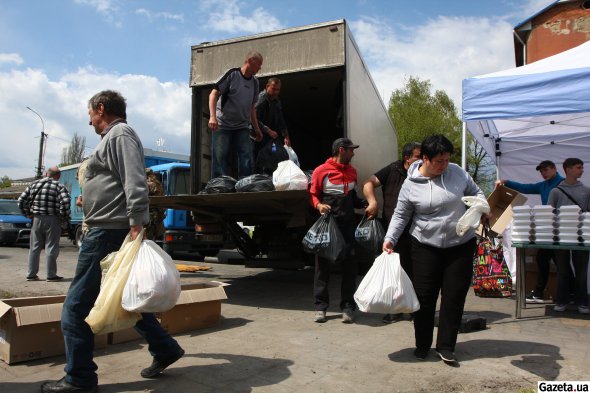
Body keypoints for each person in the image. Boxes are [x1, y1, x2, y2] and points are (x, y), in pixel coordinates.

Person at [41, 90, 184, 393]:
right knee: (123, 297)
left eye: (90, 112)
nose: (88, 118)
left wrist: (137, 222)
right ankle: (165, 349)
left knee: (75, 307)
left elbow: (134, 180)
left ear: (101, 109)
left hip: (108, 233)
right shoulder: (112, 138)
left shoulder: (119, 134)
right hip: (108, 228)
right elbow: (115, 183)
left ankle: (78, 378)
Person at [383, 134, 486, 365]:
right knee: (424, 297)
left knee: (454, 296)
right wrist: (390, 238)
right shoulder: (410, 185)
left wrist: (482, 205)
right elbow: (401, 215)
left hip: (460, 244)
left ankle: (446, 346)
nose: (444, 166)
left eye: (447, 160)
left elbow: (477, 192)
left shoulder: (457, 172)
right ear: (425, 159)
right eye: (439, 161)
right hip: (424, 245)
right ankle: (422, 344)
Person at [496, 160, 569, 303]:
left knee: (558, 262)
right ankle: (544, 292)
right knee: (553, 261)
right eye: (541, 171)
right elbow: (525, 187)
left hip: (563, 229)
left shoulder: (563, 184)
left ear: (554, 169)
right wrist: (507, 182)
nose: (543, 173)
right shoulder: (542, 186)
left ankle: (543, 292)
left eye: (546, 170)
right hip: (549, 230)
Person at [363, 141, 421, 324]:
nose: (422, 161)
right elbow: (368, 183)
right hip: (393, 232)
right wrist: (373, 202)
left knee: (416, 270)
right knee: (395, 270)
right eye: (418, 157)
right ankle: (395, 309)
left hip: (417, 230)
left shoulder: (423, 173)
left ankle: (414, 308)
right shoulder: (393, 169)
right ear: (407, 158)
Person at [309, 137, 365, 324]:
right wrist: (319, 206)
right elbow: (313, 195)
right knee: (322, 268)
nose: (354, 153)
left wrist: (366, 205)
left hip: (348, 226)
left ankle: (348, 307)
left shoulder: (352, 172)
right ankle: (320, 308)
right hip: (328, 226)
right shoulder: (321, 171)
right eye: (351, 150)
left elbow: (353, 197)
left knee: (350, 268)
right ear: (341, 150)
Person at [208, 51, 264, 179]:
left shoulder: (255, 82)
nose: (260, 68)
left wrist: (257, 129)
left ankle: (245, 183)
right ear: (250, 61)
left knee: (246, 156)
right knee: (220, 156)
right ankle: (219, 184)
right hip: (223, 124)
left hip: (242, 125)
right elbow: (213, 94)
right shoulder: (232, 74)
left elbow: (252, 108)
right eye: (258, 64)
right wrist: (212, 117)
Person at [548, 158, 590, 315]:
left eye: (582, 167)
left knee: (581, 271)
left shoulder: (587, 191)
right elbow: (549, 215)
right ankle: (562, 300)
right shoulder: (556, 191)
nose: (582, 170)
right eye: (579, 167)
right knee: (563, 271)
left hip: (582, 237)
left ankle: (582, 302)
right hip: (560, 237)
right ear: (568, 169)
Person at [18, 166, 70, 282]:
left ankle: (31, 274)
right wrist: (63, 217)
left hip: (36, 218)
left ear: (47, 174)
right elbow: (66, 203)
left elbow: (21, 200)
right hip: (53, 219)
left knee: (34, 247)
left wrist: (27, 214)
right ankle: (51, 275)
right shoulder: (59, 186)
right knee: (51, 246)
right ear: (58, 176)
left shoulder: (34, 185)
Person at [253, 77, 291, 174]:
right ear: (267, 87)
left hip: (268, 137)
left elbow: (280, 119)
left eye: (277, 90)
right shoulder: (261, 98)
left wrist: (286, 135)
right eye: (273, 89)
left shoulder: (276, 101)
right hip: (256, 136)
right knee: (255, 161)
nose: (275, 92)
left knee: (271, 159)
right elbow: (253, 118)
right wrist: (268, 130)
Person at [145, 168, 166, 241]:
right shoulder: (157, 183)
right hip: (157, 214)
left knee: (147, 240)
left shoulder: (148, 184)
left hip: (151, 214)